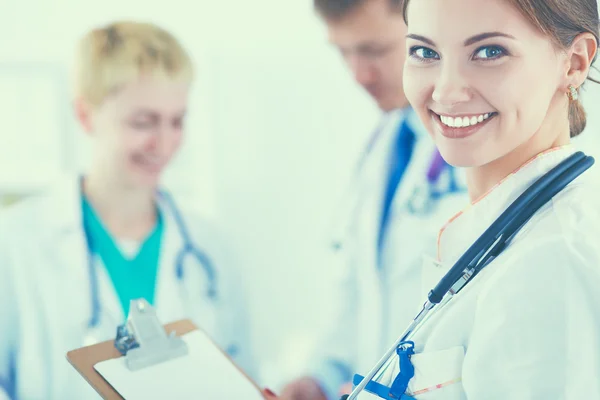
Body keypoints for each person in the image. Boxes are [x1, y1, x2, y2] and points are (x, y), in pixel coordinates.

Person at [337, 0, 600, 398]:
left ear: (574, 63)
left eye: (490, 51)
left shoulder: (552, 259)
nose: (446, 91)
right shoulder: (500, 235)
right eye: (425, 52)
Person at [0, 21, 254, 400]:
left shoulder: (210, 246)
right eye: (143, 122)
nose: (165, 143)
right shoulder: (16, 242)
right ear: (85, 115)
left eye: (177, 121)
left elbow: (244, 381)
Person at [279, 0, 468, 399]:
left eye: (373, 51)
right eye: (343, 52)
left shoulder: (484, 155)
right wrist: (318, 378)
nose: (357, 75)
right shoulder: (385, 145)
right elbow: (361, 289)